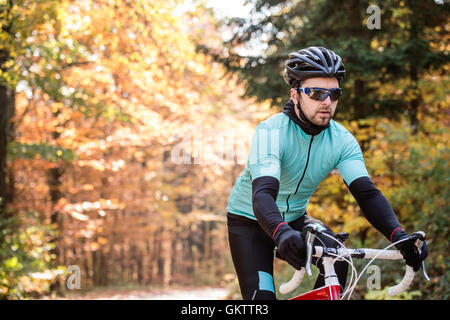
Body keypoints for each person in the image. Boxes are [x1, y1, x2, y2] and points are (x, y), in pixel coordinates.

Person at [226, 46, 427, 300]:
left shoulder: (342, 140)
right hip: (250, 221)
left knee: (339, 256)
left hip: (296, 218)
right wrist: (280, 232)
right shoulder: (270, 132)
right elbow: (263, 194)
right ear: (295, 95)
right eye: (316, 93)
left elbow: (367, 194)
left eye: (334, 94)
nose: (326, 101)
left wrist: (399, 236)